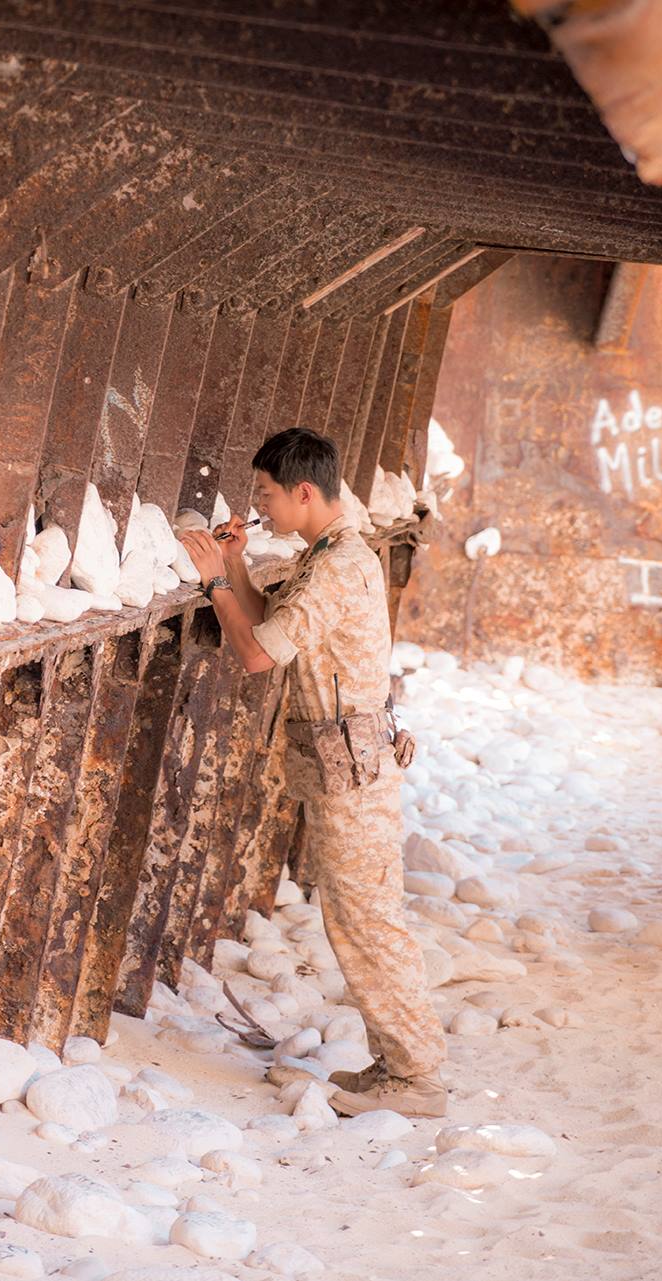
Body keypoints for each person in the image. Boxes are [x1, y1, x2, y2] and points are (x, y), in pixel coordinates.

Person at [177, 426, 447, 1118]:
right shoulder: (330, 553)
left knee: (368, 921)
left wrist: (211, 582)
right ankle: (397, 1065)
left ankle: (416, 1077)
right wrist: (235, 570)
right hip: (351, 765)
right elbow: (282, 627)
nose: (258, 508)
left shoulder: (335, 567)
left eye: (265, 496)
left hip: (353, 773)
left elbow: (261, 654)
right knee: (361, 917)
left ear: (303, 493)